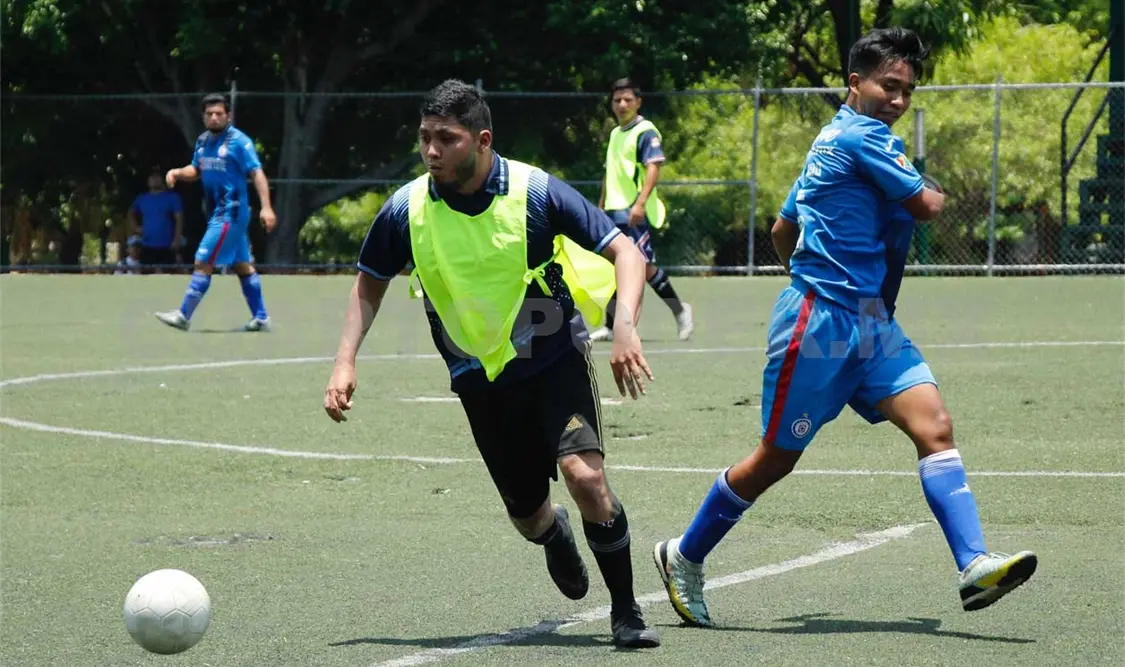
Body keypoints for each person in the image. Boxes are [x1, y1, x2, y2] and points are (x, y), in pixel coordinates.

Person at [652, 28, 1036, 627]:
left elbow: (784, 229)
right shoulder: (861, 137)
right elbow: (930, 207)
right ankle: (684, 554)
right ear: (854, 83)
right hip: (824, 324)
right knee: (775, 458)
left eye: (908, 90)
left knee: (934, 426)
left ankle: (973, 564)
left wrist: (815, 272)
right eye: (889, 85)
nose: (900, 99)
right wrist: (814, 292)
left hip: (869, 323)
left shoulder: (831, 140)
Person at [323, 79, 661, 649]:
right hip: (477, 373)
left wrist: (624, 321)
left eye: (446, 139)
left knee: (586, 476)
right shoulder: (405, 209)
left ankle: (626, 613)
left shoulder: (535, 192)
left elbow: (625, 251)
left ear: (481, 140)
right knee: (528, 517)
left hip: (551, 353)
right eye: (425, 138)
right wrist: (344, 361)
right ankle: (553, 535)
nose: (432, 151)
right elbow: (370, 283)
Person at [155, 93, 276, 331]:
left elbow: (257, 173)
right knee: (242, 265)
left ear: (228, 115)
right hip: (217, 212)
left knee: (203, 261)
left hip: (231, 212)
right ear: (203, 117)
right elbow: (196, 170)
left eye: (219, 114)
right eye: (209, 114)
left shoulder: (240, 142)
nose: (214, 118)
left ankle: (183, 315)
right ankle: (261, 318)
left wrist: (267, 207)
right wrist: (178, 173)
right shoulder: (203, 142)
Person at [591, 78, 694, 342]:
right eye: (617, 100)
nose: (622, 104)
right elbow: (610, 174)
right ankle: (612, 324)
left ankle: (680, 310)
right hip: (613, 212)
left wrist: (639, 203)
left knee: (642, 267)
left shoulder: (646, 131)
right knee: (619, 264)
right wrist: (601, 206)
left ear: (638, 102)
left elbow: (653, 167)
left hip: (633, 212)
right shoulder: (615, 134)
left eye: (627, 99)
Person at [129, 170, 184, 273]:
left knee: (170, 276)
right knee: (145, 277)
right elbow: (131, 212)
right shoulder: (142, 199)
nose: (154, 180)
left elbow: (179, 219)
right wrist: (135, 227)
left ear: (162, 180)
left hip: (167, 245)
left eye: (157, 177)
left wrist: (176, 239)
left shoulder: (172, 198)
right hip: (147, 245)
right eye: (152, 177)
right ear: (148, 181)